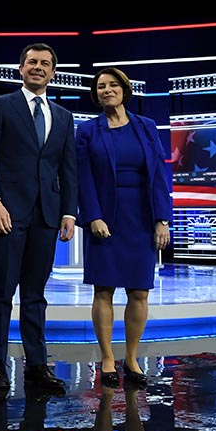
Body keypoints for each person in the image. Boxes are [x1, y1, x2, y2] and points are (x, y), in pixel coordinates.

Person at [0, 43, 77, 392]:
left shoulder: (63, 116)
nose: (38, 67)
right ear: (20, 68)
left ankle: (37, 365)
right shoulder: (1, 106)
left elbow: (68, 168)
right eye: (32, 62)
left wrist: (68, 212)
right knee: (1, 291)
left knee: (35, 294)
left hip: (47, 216)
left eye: (45, 63)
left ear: (52, 72)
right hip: (7, 212)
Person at [75, 67, 171, 388]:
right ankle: (106, 357)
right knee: (104, 289)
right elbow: (82, 177)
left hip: (141, 218)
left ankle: (131, 358)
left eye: (113, 84)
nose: (106, 90)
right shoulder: (88, 131)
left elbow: (159, 175)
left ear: (124, 90)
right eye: (101, 86)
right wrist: (93, 216)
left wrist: (162, 219)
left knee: (139, 291)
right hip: (105, 218)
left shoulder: (146, 127)